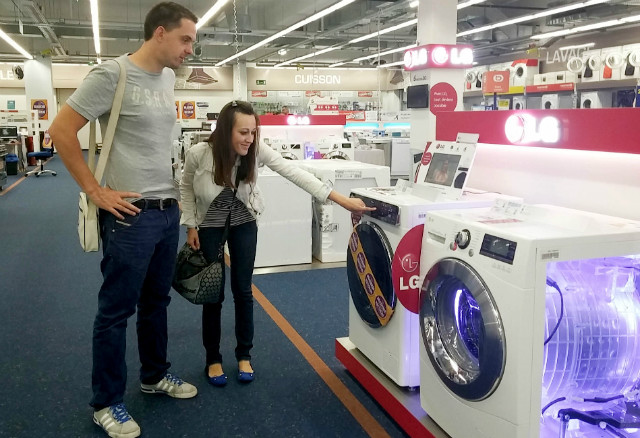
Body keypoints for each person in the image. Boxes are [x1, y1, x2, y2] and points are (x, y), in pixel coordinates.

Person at [48, 3, 198, 437]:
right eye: (185, 39)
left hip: (166, 211)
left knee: (156, 303)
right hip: (130, 216)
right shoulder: (111, 74)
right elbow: (60, 131)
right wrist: (94, 190)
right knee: (115, 312)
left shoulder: (168, 78)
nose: (190, 49)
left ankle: (154, 375)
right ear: (159, 33)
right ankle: (106, 402)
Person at [179, 100, 374, 387]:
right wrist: (190, 224)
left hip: (244, 223)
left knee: (243, 290)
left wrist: (340, 200)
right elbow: (185, 187)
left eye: (253, 132)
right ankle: (213, 359)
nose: (249, 139)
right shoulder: (200, 153)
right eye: (243, 132)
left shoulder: (255, 151)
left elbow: (293, 172)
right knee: (213, 295)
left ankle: (244, 355)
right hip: (209, 225)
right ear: (225, 130)